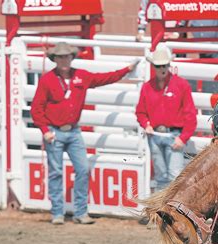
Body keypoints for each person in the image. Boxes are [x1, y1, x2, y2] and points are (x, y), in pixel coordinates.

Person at [30, 42, 139, 225]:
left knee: (82, 169)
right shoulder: (47, 80)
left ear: (72, 57)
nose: (64, 60)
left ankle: (80, 212)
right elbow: (36, 108)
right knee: (56, 172)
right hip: (54, 131)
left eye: (67, 56)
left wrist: (126, 70)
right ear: (54, 59)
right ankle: (58, 213)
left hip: (73, 131)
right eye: (60, 57)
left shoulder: (81, 76)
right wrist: (45, 130)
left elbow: (104, 78)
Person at [135, 43, 197, 191]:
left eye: (164, 65)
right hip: (155, 135)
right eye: (158, 66)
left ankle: (172, 212)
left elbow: (190, 114)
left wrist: (183, 138)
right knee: (161, 177)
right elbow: (140, 112)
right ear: (153, 67)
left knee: (174, 177)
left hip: (173, 134)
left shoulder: (181, 85)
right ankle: (161, 212)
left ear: (169, 65)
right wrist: (146, 124)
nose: (162, 69)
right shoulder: (147, 87)